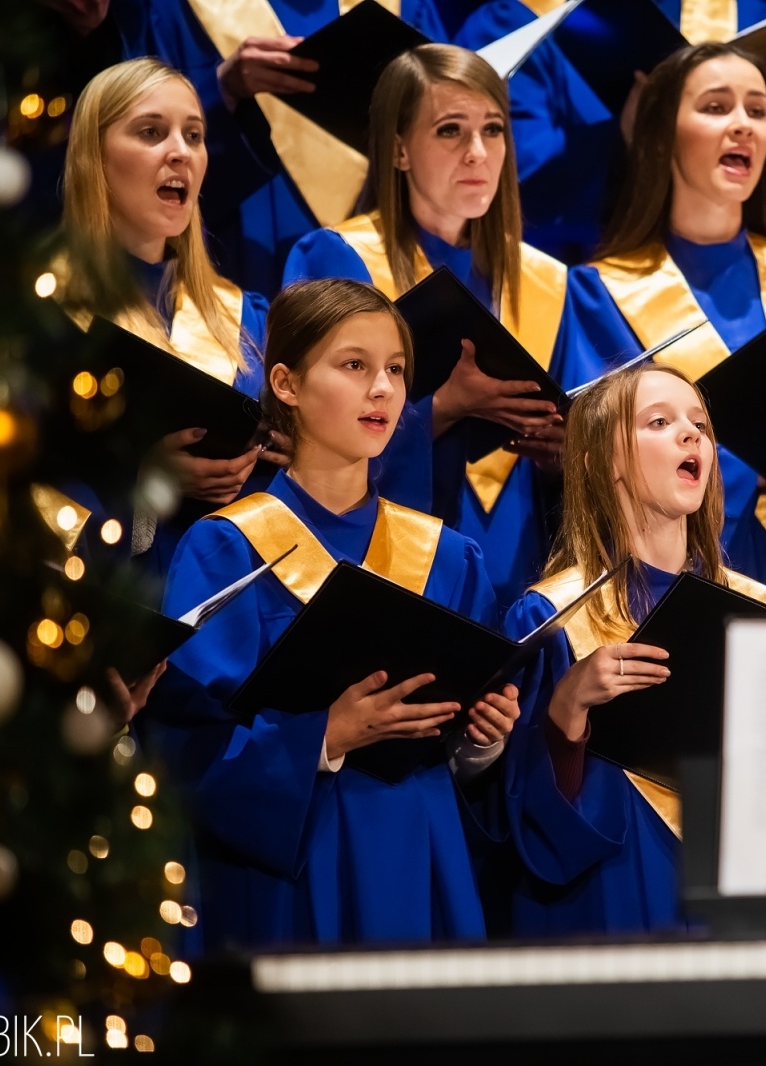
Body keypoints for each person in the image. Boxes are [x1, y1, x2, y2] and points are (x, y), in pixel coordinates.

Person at [157, 278, 519, 949]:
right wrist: (324, 737)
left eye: (395, 370)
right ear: (286, 384)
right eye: (354, 366)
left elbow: (462, 758)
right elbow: (186, 748)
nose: (382, 388)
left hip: (423, 855)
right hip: (295, 870)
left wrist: (484, 738)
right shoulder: (228, 548)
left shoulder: (449, 556)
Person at [560, 42, 766, 587]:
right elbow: (598, 460)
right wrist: (751, 468)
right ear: (663, 132)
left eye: (757, 111)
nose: (743, 125)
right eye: (717, 108)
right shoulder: (598, 293)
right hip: (680, 578)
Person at [497, 363, 766, 936]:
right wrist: (567, 708)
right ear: (598, 461)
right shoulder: (551, 617)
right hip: (615, 891)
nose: (691, 435)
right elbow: (525, 822)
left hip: (739, 895)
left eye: (700, 424)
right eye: (659, 422)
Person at [284, 44, 568, 604]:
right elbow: (303, 433)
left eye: (492, 130)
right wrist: (446, 407)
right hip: (383, 557)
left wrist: (565, 448)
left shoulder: (546, 281)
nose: (477, 153)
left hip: (522, 557)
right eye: (449, 131)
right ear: (398, 150)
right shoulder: (340, 259)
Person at [58, 57, 280, 582]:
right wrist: (141, 483)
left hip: (238, 622)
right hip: (111, 613)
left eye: (195, 135)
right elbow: (14, 500)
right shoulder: (47, 316)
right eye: (151, 132)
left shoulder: (246, 319)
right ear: (95, 157)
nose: (180, 152)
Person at [453, 0, 766, 263]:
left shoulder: (759, 16)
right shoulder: (516, 19)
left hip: (738, 266)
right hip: (588, 270)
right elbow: (498, 177)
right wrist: (626, 140)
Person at [108, 0, 450, 294]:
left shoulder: (406, 6)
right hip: (238, 247)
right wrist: (223, 88)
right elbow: (127, 136)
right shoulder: (166, 10)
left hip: (385, 236)